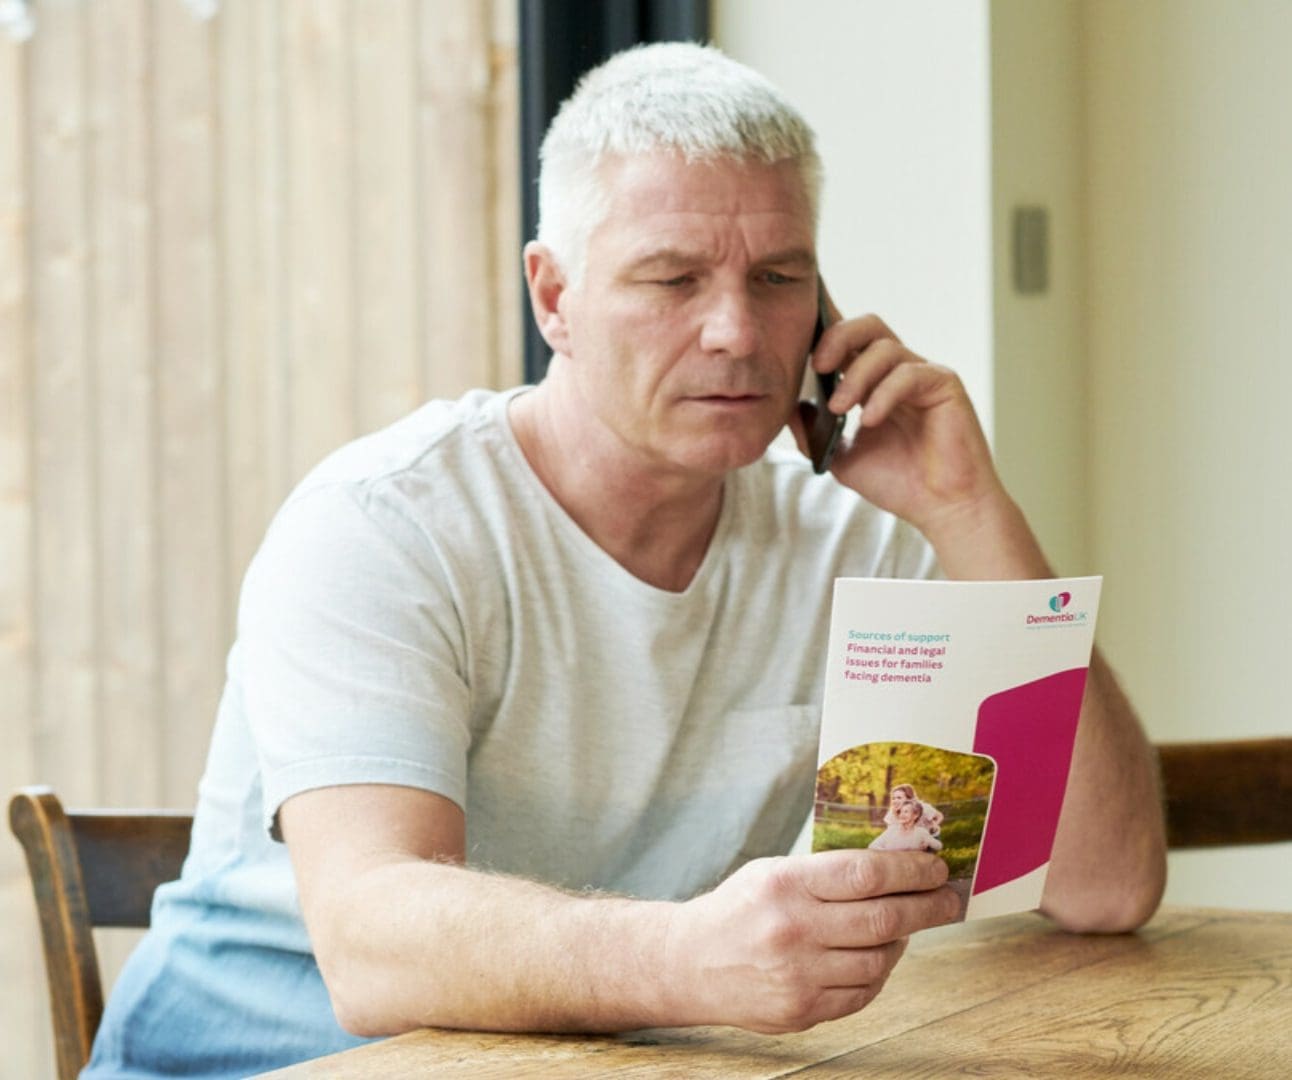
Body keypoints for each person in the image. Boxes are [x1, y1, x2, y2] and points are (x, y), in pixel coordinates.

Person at [85, 42, 1166, 1078]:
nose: (736, 333)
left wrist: (970, 511)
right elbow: (371, 943)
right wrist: (696, 957)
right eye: (671, 280)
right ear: (553, 297)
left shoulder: (853, 528)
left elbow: (1102, 885)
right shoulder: (383, 524)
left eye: (779, 277)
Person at [871, 800, 943, 853]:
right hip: (891, 866)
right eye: (901, 812)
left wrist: (928, 842)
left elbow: (939, 846)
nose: (902, 815)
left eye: (906, 812)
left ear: (915, 815)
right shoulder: (892, 830)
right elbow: (872, 846)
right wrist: (889, 853)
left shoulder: (920, 832)